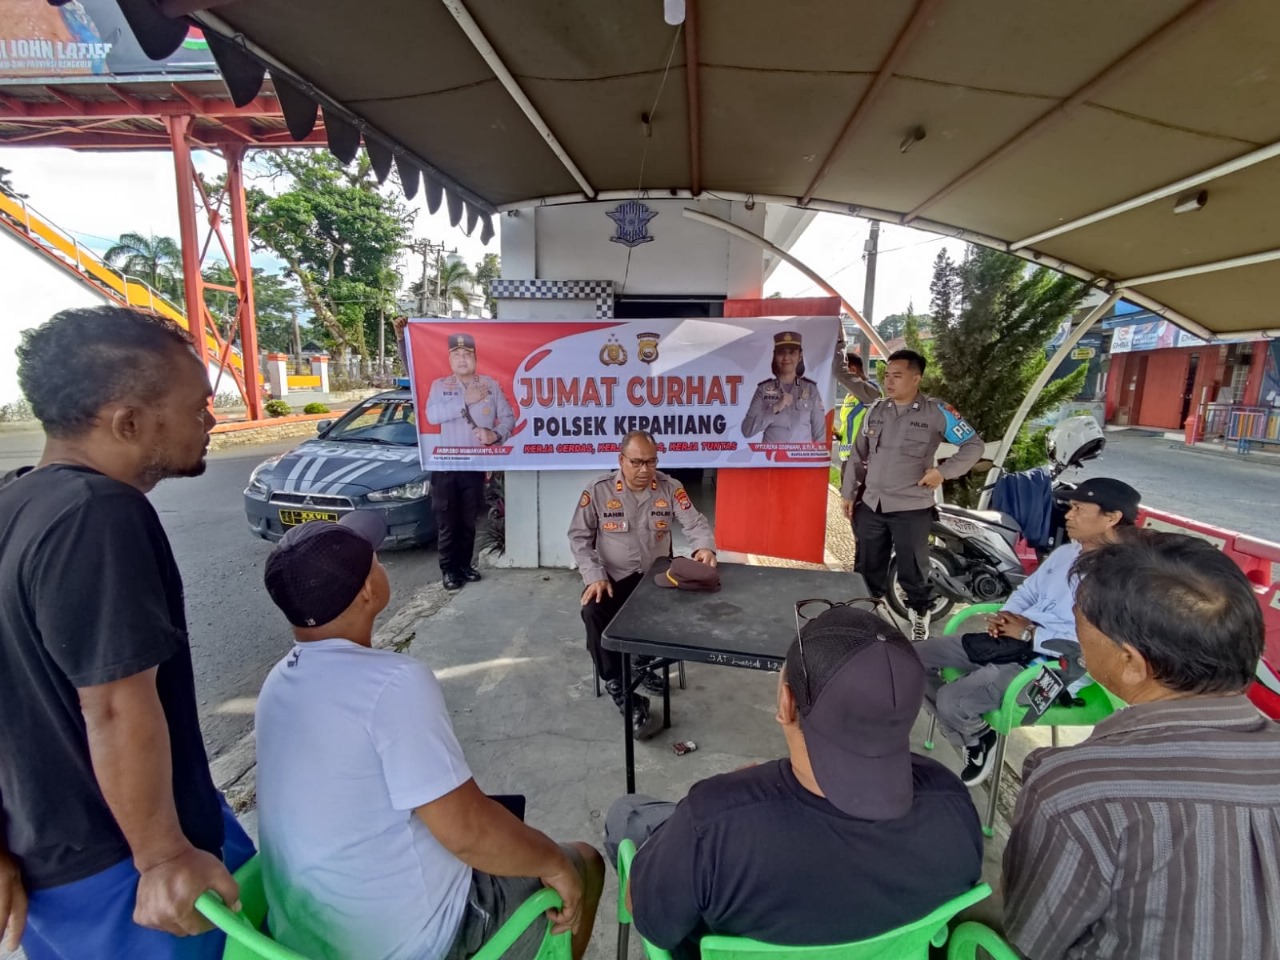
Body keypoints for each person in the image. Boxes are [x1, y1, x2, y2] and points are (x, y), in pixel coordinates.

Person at [0, 307, 253, 959]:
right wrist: (164, 855)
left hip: (50, 869)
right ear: (129, 422)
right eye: (197, 407)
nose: (210, 421)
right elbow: (113, 704)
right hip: (131, 874)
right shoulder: (99, 514)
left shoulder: (13, 501)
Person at [257, 513, 604, 960]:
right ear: (367, 592)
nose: (380, 563)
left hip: (304, 938)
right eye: (373, 559)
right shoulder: (392, 684)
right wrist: (553, 862)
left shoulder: (276, 685)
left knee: (502, 820)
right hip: (412, 942)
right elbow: (467, 833)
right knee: (584, 863)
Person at [605, 607, 983, 960]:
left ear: (786, 704)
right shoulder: (953, 806)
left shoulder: (714, 822)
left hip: (707, 838)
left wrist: (715, 807)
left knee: (628, 813)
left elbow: (648, 918)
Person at [1003, 531, 1280, 960]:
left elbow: (1032, 938)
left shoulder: (1075, 788)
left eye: (1078, 622)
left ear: (1131, 662)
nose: (1076, 634)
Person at [915, 478, 1141, 786]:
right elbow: (1028, 592)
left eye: (1078, 508)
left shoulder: (1126, 576)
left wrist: (1030, 634)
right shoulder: (1066, 554)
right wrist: (1006, 616)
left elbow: (1101, 645)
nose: (1068, 515)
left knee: (952, 699)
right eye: (1070, 507)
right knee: (909, 659)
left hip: (1057, 666)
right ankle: (967, 729)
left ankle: (976, 735)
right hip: (1013, 641)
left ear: (1112, 517)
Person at [567, 431, 717, 737]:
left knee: (696, 606)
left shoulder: (670, 487)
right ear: (621, 460)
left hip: (656, 578)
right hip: (614, 579)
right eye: (636, 462)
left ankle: (644, 662)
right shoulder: (598, 490)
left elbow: (695, 523)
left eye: (650, 461)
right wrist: (594, 575)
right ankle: (622, 689)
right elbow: (579, 538)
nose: (644, 469)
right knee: (592, 611)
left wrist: (704, 547)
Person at [840, 349, 984, 642]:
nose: (889, 382)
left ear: (916, 379)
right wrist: (848, 492)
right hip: (872, 503)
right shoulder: (876, 410)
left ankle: (920, 613)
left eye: (897, 376)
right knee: (866, 565)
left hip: (911, 506)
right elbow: (858, 455)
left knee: (913, 568)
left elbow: (974, 445)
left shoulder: (937, 412)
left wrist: (943, 472)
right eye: (887, 376)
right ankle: (866, 615)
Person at [425, 332, 516, 591]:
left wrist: (495, 434)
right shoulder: (439, 386)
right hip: (446, 468)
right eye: (457, 354)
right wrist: (463, 401)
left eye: (467, 354)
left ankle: (465, 565)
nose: (462, 359)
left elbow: (508, 418)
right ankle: (449, 570)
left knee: (468, 521)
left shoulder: (490, 385)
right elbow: (432, 416)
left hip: (475, 466)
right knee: (447, 523)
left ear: (475, 358)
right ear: (449, 359)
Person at [742, 331, 827, 443]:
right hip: (770, 454)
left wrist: (819, 454)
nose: (786, 357)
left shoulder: (810, 389)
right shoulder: (763, 389)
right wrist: (774, 408)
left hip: (801, 454)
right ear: (775, 355)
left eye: (792, 352)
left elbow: (820, 435)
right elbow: (747, 430)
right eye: (781, 352)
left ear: (800, 356)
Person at [834, 352, 881, 472]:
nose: (839, 382)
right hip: (848, 460)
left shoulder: (871, 391)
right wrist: (837, 434)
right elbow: (851, 427)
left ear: (853, 370)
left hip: (864, 462)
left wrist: (839, 346)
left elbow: (840, 373)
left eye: (841, 379)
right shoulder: (850, 397)